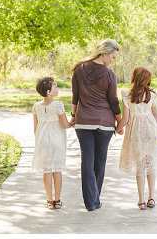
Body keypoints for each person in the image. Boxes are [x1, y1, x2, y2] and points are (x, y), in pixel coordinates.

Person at [70, 39, 122, 211]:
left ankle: (92, 201)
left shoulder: (79, 69)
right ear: (104, 53)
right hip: (105, 124)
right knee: (99, 161)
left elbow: (75, 97)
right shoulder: (109, 75)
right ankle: (94, 200)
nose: (113, 61)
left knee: (87, 161)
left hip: (83, 122)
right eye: (113, 57)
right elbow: (113, 101)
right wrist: (119, 121)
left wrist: (72, 116)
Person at [117, 67, 157, 210]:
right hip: (151, 131)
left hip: (136, 133)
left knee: (141, 166)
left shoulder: (127, 95)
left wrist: (117, 128)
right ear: (147, 79)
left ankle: (141, 201)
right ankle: (152, 198)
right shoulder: (152, 95)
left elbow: (126, 119)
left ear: (134, 77)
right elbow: (156, 117)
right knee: (150, 164)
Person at [32, 76, 74, 209]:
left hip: (42, 141)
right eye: (55, 86)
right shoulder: (58, 104)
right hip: (56, 141)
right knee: (57, 170)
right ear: (48, 92)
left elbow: (35, 128)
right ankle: (57, 200)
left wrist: (39, 140)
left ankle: (49, 201)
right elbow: (65, 125)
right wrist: (74, 120)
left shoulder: (36, 106)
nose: (58, 88)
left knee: (47, 171)